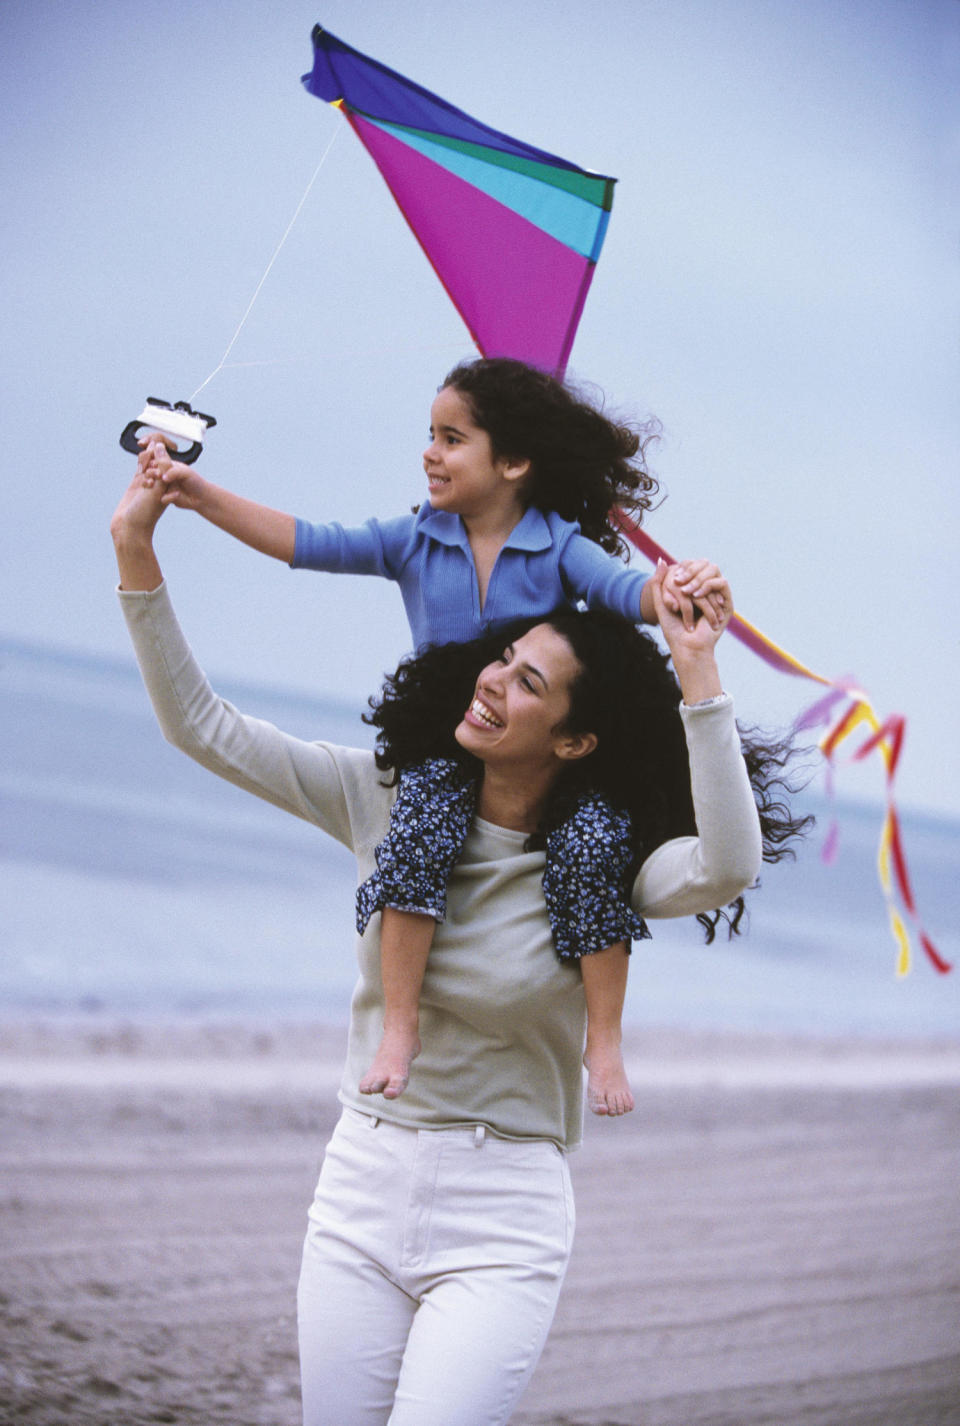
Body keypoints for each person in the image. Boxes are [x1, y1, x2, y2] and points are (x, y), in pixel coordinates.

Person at [111, 459, 806, 1426]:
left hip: (505, 1214)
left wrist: (698, 669)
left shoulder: (600, 865)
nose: (492, 682)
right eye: (502, 658)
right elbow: (204, 728)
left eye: (529, 683)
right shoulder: (390, 799)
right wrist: (135, 547)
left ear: (572, 741)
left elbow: (729, 863)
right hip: (364, 1183)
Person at [138, 357, 730, 1117]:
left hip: (539, 759)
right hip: (445, 752)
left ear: (513, 462)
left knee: (595, 851)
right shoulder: (415, 538)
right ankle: (400, 1027)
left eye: (452, 439)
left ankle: (605, 1041)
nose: (430, 452)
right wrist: (196, 494)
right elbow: (306, 542)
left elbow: (630, 594)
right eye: (430, 435)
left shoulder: (558, 546)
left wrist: (677, 589)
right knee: (413, 846)